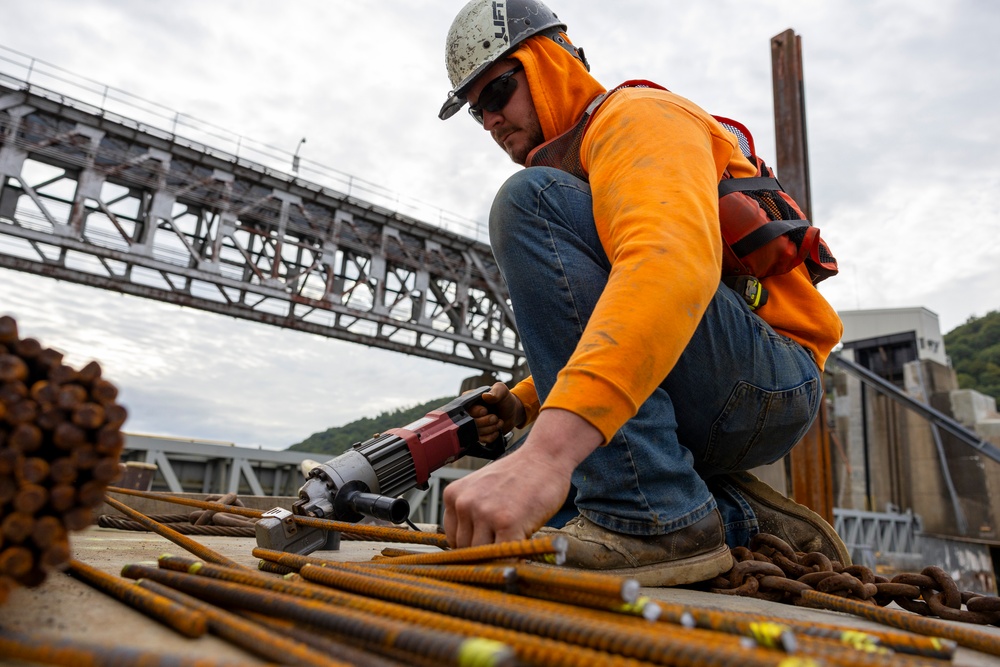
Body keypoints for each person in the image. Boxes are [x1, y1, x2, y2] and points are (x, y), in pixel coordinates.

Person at [437, 0, 849, 586]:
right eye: (477, 112)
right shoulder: (580, 171)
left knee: (527, 200)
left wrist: (548, 454)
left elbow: (669, 267)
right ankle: (734, 521)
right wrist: (527, 403)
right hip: (717, 382)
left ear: (549, 62)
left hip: (770, 379)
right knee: (525, 510)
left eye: (498, 92)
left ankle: (653, 518)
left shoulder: (636, 118)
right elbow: (622, 314)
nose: (491, 120)